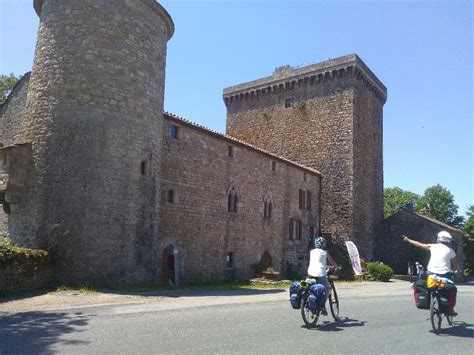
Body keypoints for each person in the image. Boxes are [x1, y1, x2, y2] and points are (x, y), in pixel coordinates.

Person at [402, 231, 461, 315]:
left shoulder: (432, 246)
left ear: (439, 239)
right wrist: (458, 271)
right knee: (452, 290)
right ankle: (450, 309)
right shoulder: (451, 251)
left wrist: (408, 240)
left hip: (431, 274)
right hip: (445, 275)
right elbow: (456, 264)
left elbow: (419, 244)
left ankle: (428, 300)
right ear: (448, 241)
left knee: (425, 284)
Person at [307, 236, 339, 315]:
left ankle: (308, 301)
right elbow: (331, 262)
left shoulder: (312, 251)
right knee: (326, 288)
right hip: (320, 273)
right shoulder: (325, 252)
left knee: (310, 287)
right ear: (324, 244)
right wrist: (337, 267)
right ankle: (322, 306)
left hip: (310, 272)